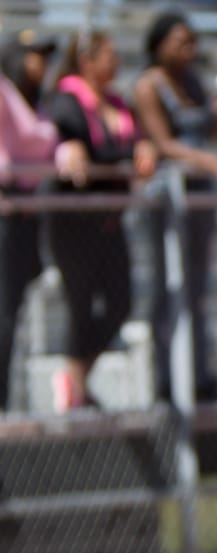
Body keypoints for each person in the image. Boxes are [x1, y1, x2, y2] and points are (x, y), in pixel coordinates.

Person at [133, 10, 217, 404]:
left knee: (197, 289)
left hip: (200, 196)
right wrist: (211, 163)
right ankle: (168, 378)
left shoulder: (193, 82)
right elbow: (163, 144)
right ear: (159, 44)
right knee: (170, 287)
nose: (189, 49)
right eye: (181, 42)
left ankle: (197, 375)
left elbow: (215, 133)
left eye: (193, 42)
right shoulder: (148, 86)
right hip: (169, 196)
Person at [45, 30, 157, 412]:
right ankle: (76, 386)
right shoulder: (66, 99)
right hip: (74, 222)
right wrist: (127, 155)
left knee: (120, 304)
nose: (116, 62)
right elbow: (85, 147)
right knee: (81, 304)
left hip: (111, 220)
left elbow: (126, 146)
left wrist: (142, 148)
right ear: (87, 62)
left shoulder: (118, 104)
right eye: (108, 55)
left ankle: (75, 376)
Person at [0, 30, 87, 411]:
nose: (42, 63)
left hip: (24, 218)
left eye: (46, 56)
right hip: (6, 215)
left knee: (9, 315)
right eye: (34, 55)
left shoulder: (39, 102)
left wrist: (68, 151)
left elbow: (51, 146)